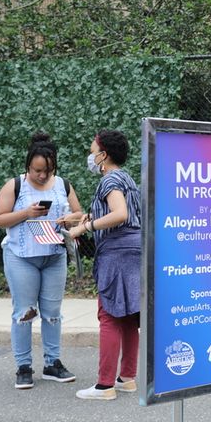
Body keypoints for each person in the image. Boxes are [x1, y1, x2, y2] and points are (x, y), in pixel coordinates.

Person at [0, 131, 82, 389]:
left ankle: (53, 364)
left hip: (53, 256)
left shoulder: (62, 184)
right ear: (28, 165)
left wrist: (69, 219)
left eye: (48, 171)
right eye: (37, 170)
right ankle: (23, 367)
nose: (42, 176)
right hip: (22, 256)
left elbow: (79, 213)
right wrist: (26, 213)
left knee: (53, 314)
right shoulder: (15, 185)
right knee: (24, 313)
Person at [59, 129, 141, 401]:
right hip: (134, 251)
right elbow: (113, 212)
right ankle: (127, 379)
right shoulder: (126, 178)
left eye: (93, 151)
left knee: (108, 316)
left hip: (116, 254)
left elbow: (120, 214)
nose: (91, 156)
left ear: (104, 155)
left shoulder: (109, 180)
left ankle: (104, 386)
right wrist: (79, 221)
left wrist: (86, 228)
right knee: (129, 317)